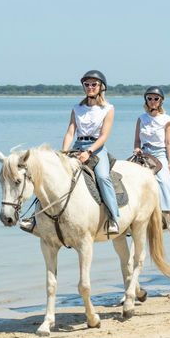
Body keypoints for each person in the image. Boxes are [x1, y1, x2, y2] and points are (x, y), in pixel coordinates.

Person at [62, 69, 121, 234]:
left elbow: (104, 136)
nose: (90, 87)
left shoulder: (108, 109)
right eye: (86, 84)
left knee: (103, 177)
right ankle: (38, 218)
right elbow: (70, 132)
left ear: (101, 86)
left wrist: (88, 152)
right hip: (77, 144)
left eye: (94, 84)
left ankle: (114, 218)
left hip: (97, 147)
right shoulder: (76, 108)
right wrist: (64, 152)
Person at [133, 86, 170, 232]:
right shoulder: (141, 118)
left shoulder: (167, 120)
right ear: (146, 100)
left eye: (155, 98)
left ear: (161, 101)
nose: (152, 101)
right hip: (143, 153)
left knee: (164, 180)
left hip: (159, 153)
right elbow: (136, 140)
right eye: (149, 98)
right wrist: (136, 148)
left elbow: (169, 143)